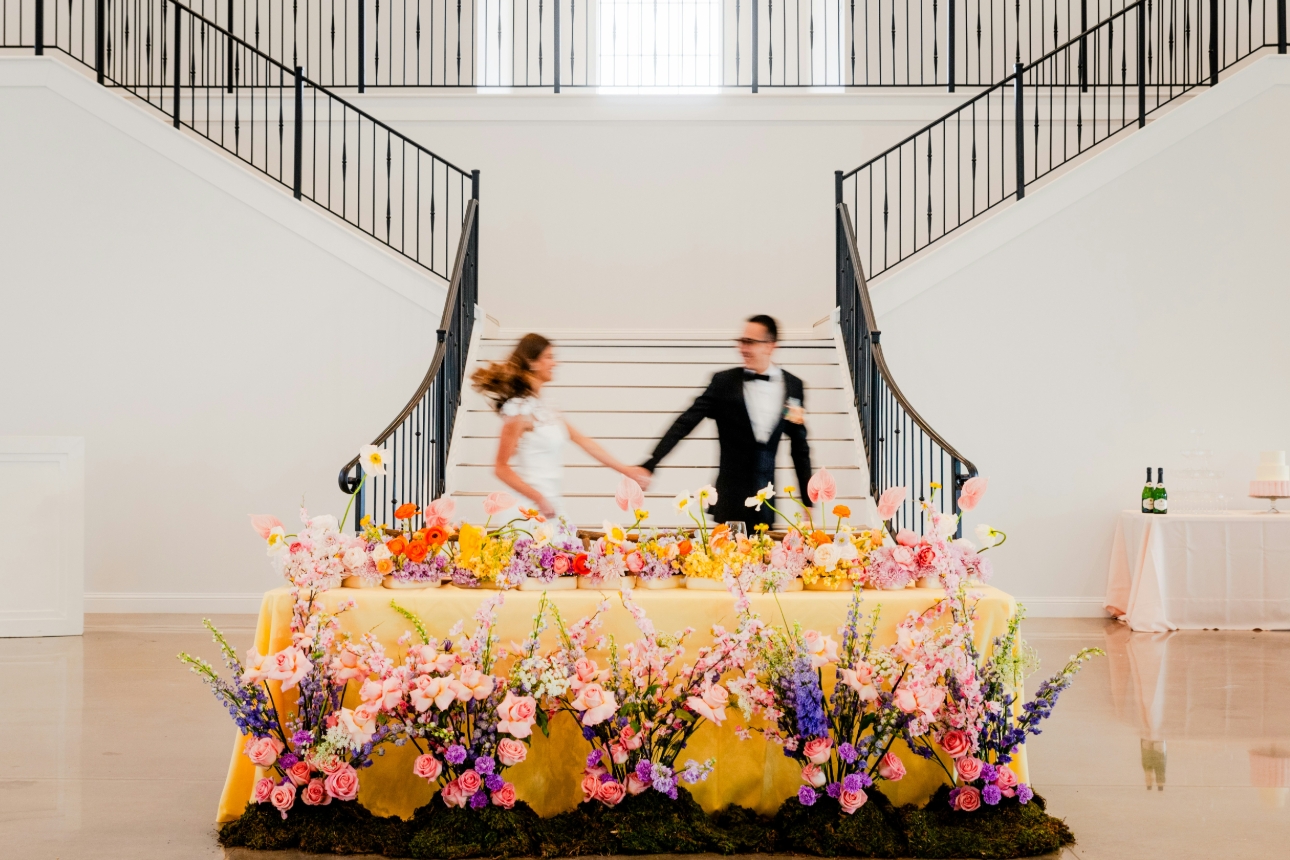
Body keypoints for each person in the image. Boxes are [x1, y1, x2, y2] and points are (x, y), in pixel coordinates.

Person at [640, 315, 812, 529]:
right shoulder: (723, 383)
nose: (742, 348)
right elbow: (685, 423)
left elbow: (799, 448)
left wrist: (807, 499)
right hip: (729, 504)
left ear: (770, 346)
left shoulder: (793, 387)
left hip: (766, 507)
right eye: (741, 341)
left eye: (750, 342)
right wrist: (652, 462)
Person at [471, 333, 652, 519]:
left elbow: (584, 441)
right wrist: (538, 498)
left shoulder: (548, 406)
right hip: (529, 509)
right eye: (549, 357)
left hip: (553, 505)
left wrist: (627, 470)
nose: (554, 363)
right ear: (532, 362)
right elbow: (500, 468)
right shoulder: (518, 409)